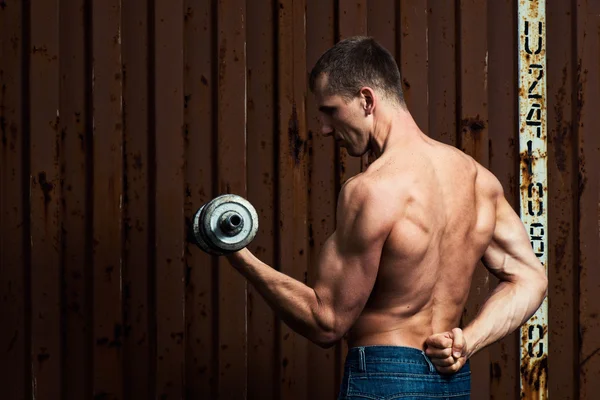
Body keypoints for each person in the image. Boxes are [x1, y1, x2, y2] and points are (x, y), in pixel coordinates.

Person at [224, 36, 548, 399]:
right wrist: (467, 341)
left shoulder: (371, 189)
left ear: (366, 100)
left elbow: (326, 322)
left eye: (330, 110)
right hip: (452, 382)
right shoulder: (477, 180)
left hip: (385, 375)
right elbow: (531, 278)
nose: (324, 128)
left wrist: (238, 255)